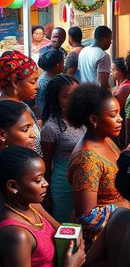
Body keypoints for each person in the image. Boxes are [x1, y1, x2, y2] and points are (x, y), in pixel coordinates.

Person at [66, 84, 127, 267]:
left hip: (119, 235)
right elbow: (87, 215)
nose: (120, 119)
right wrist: (128, 209)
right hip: (99, 250)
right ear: (93, 120)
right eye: (113, 115)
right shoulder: (87, 160)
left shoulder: (107, 141)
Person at [41, 74, 83, 223]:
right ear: (56, 100)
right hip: (64, 181)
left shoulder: (86, 118)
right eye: (66, 97)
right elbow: (46, 161)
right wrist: (47, 191)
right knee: (66, 223)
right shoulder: (51, 127)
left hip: (86, 177)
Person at [0, 51, 41, 155]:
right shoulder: (7, 113)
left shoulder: (23, 106)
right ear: (15, 83)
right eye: (32, 82)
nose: (37, 86)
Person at [36, 48, 65, 113]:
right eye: (63, 62)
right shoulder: (48, 83)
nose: (64, 64)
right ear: (58, 65)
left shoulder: (49, 76)